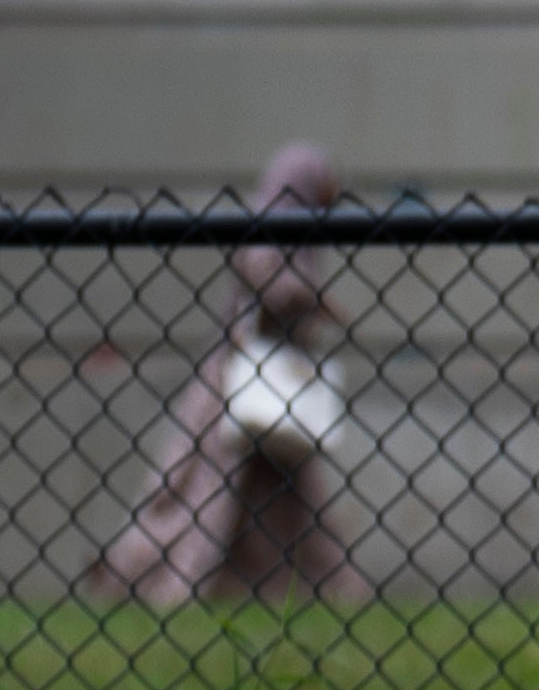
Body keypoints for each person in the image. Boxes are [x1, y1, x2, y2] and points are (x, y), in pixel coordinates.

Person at [92, 141, 362, 605]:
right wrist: (317, 302)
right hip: (243, 381)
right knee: (204, 494)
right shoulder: (275, 227)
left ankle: (314, 588)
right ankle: (148, 578)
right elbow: (267, 275)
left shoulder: (290, 228)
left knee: (278, 502)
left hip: (262, 382)